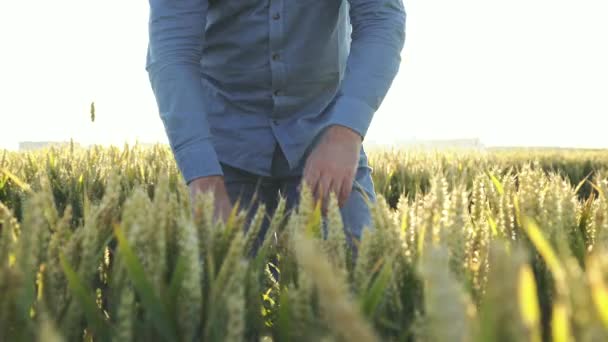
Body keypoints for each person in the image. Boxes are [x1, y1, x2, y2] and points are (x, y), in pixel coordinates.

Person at [145, 0, 406, 251]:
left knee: (357, 270)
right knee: (210, 282)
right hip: (222, 144)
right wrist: (202, 175)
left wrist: (346, 131)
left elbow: (381, 21)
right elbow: (172, 52)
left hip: (325, 132)